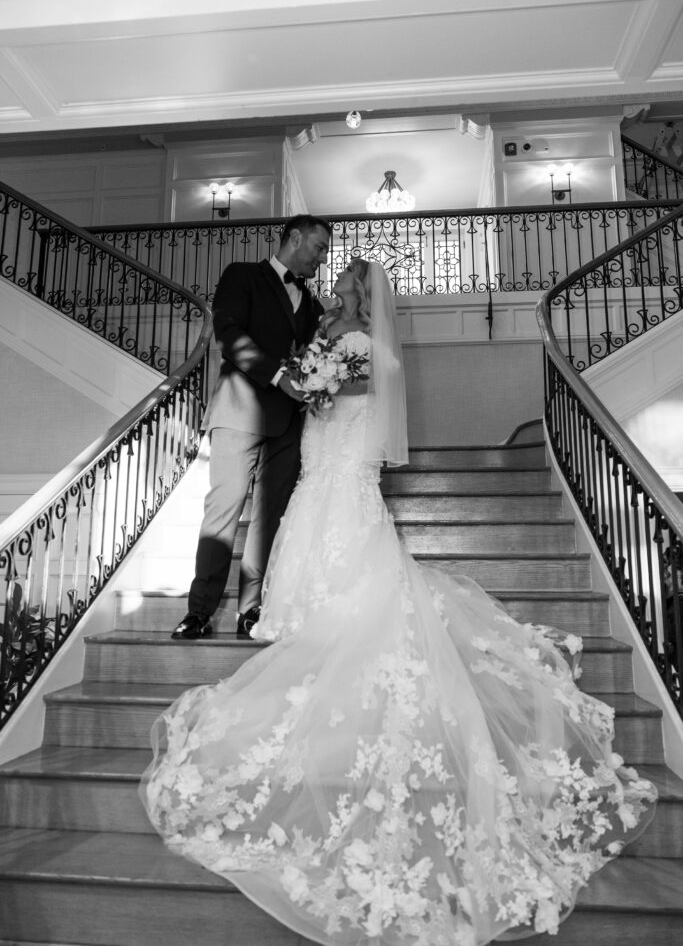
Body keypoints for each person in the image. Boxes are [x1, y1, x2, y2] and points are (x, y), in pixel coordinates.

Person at [144, 258, 657, 945]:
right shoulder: (347, 338)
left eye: (343, 287)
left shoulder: (359, 345)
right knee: (314, 528)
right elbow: (325, 389)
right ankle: (312, 616)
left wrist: (312, 385)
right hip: (328, 457)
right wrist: (309, 381)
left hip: (338, 458)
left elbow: (337, 394)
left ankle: (332, 620)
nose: (332, 294)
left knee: (339, 532)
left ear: (358, 295)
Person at [171, 214, 330, 640]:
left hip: (287, 423)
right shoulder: (241, 276)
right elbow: (228, 332)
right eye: (318, 248)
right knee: (222, 510)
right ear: (295, 238)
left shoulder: (314, 306)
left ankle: (251, 610)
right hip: (238, 411)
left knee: (269, 518)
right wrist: (279, 376)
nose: (322, 258)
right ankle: (199, 612)